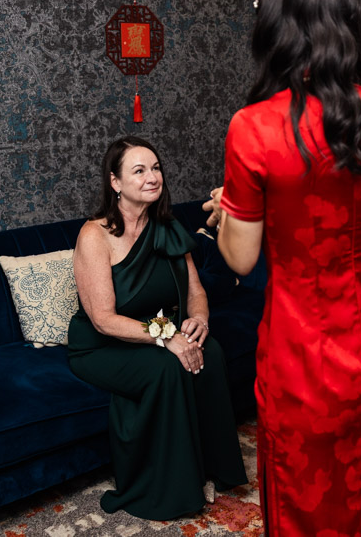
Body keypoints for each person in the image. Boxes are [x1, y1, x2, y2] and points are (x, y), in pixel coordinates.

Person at [204, 0, 361, 535]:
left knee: (303, 509)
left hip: (302, 358)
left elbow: (242, 258)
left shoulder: (256, 127)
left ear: (275, 28)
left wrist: (229, 213)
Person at [66, 135, 247, 519]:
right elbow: (103, 319)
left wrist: (198, 320)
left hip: (154, 328)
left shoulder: (167, 225)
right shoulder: (94, 234)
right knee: (168, 367)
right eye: (139, 170)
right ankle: (170, 488)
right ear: (115, 182)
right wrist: (168, 339)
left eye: (156, 168)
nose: (152, 177)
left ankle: (212, 469)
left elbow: (196, 290)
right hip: (100, 346)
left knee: (210, 351)